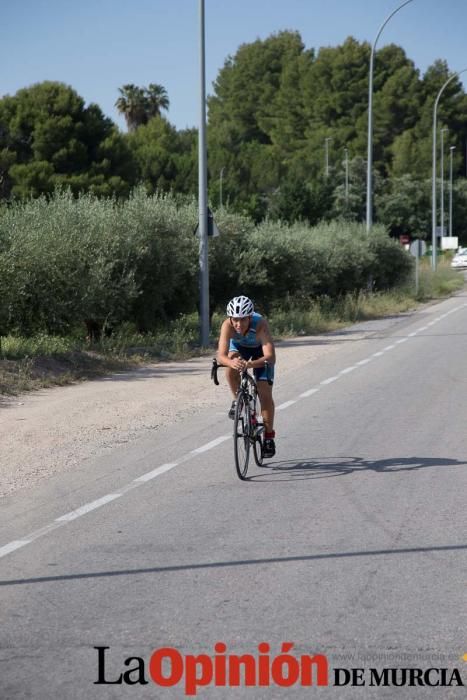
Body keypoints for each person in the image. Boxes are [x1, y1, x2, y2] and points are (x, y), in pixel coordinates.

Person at [217, 295, 276, 458]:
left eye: (243, 320)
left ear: (250, 317)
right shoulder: (227, 325)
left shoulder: (260, 324)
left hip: (259, 352)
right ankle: (239, 400)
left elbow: (270, 357)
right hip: (239, 348)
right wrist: (231, 362)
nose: (238, 324)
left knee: (264, 393)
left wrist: (250, 364)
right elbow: (221, 356)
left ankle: (269, 437)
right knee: (229, 368)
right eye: (235, 319)